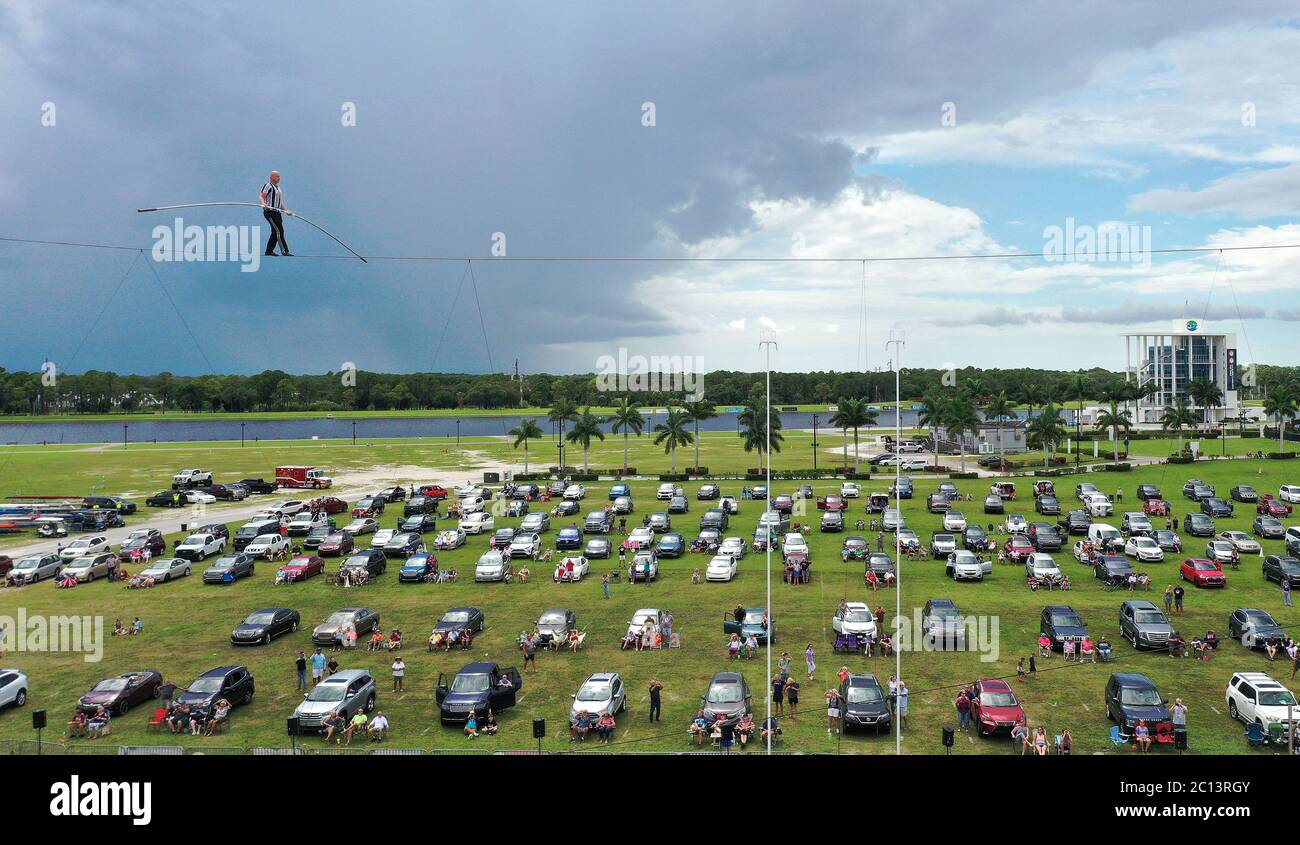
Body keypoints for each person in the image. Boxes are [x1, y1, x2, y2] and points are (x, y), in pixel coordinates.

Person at [260, 170, 293, 256]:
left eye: (279, 176)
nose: (279, 178)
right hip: (270, 212)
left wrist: (286, 210)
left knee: (275, 232)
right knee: (279, 231)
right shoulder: (268, 185)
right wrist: (263, 204)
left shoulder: (279, 188)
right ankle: (285, 251)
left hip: (278, 213)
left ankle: (269, 251)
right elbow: (261, 196)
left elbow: (280, 202)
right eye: (277, 176)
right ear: (272, 177)